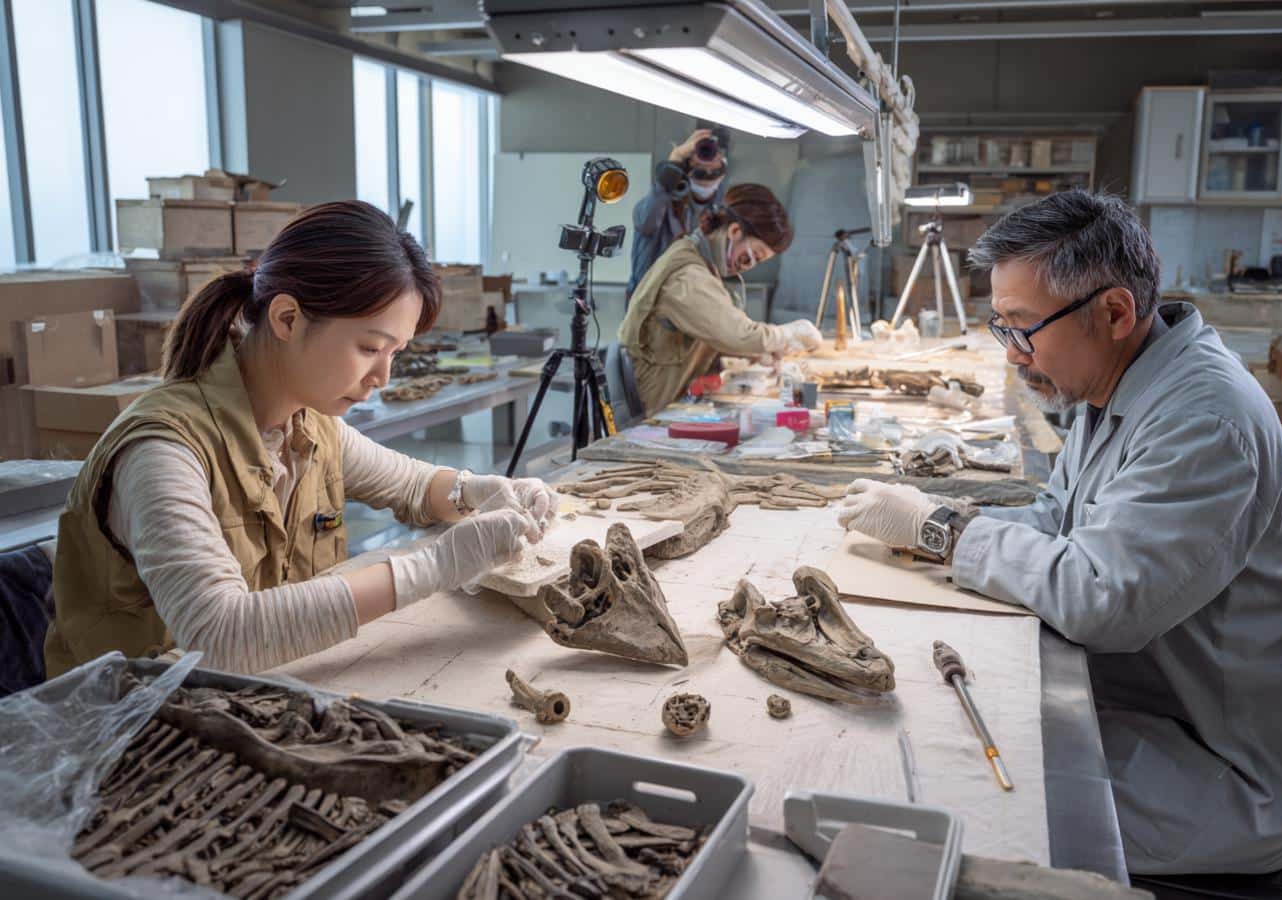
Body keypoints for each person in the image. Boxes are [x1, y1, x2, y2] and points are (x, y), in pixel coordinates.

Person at [838, 190, 1282, 876]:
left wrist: (945, 532)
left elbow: (1101, 600)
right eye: (1002, 327)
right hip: (1147, 706)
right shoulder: (1123, 385)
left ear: (1115, 313)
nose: (1014, 355)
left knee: (924, 785)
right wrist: (928, 522)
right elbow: (1056, 522)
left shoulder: (1203, 421)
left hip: (1223, 777)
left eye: (1024, 328)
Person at [45, 201, 559, 678]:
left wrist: (478, 490)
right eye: (369, 348)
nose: (382, 377)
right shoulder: (163, 454)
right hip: (136, 723)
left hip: (258, 693)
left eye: (395, 353)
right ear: (287, 318)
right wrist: (438, 565)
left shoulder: (308, 426)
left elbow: (413, 486)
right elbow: (220, 634)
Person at [618, 183, 823, 414]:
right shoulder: (689, 276)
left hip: (669, 396)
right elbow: (738, 334)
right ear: (734, 232)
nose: (747, 267)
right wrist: (786, 334)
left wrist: (759, 352)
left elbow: (716, 330)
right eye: (750, 257)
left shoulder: (703, 262)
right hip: (652, 406)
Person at [626, 126, 731, 299]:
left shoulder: (723, 214)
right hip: (653, 303)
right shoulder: (661, 206)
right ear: (687, 169)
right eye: (699, 170)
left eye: (713, 172)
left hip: (697, 302)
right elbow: (646, 221)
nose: (707, 171)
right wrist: (676, 159)